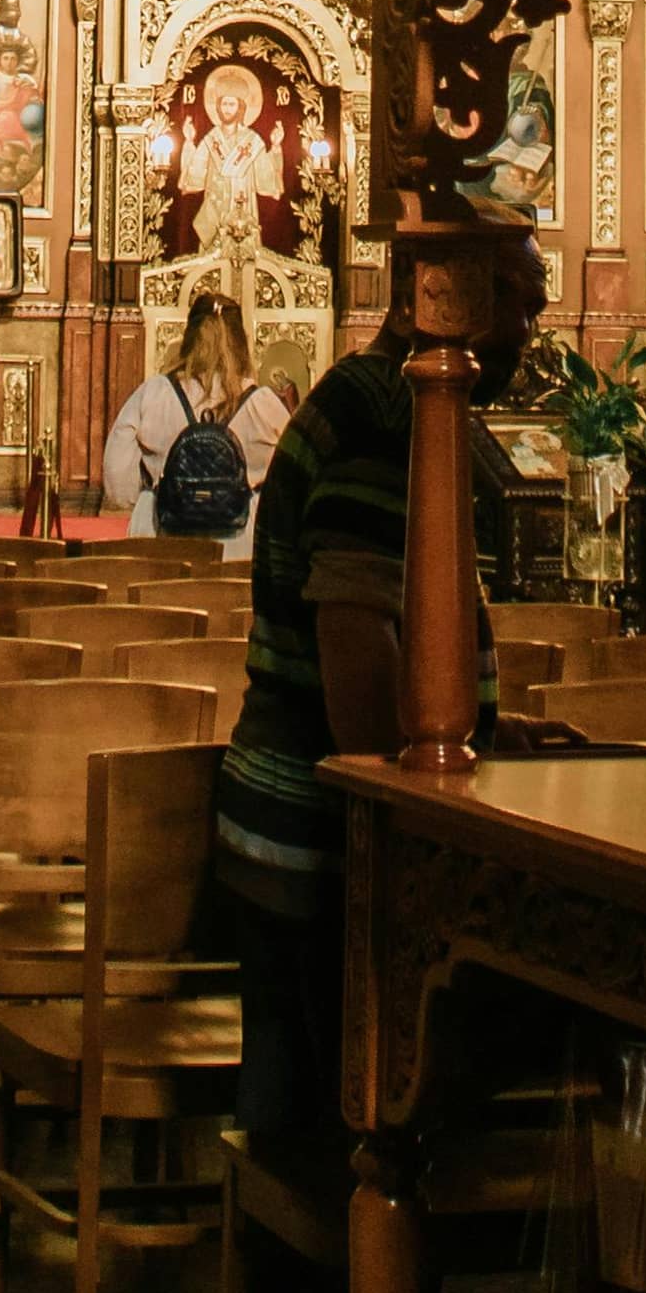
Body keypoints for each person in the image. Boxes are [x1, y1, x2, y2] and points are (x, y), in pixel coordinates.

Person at [217, 201, 545, 1148]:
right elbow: (359, 670)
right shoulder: (386, 418)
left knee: (308, 1111)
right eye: (521, 301)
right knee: (333, 1130)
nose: (532, 327)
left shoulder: (398, 407)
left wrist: (486, 731)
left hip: (305, 831)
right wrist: (443, 767)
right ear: (451, 291)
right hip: (320, 845)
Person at [106, 291, 290, 549]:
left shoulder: (153, 394)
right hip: (239, 543)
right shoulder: (264, 404)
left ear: (188, 338)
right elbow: (292, 485)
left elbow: (117, 485)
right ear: (241, 341)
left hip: (161, 537)